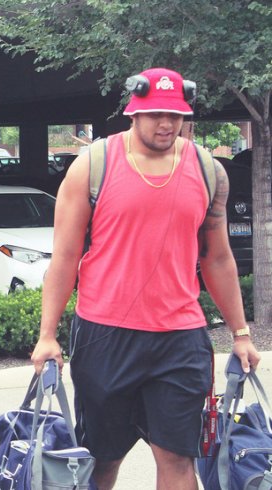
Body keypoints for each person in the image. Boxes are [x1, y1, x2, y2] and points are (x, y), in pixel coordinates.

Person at [31, 67, 261, 490]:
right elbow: (64, 257)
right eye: (156, 113)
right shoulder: (92, 167)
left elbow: (218, 258)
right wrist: (48, 335)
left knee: (177, 459)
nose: (167, 123)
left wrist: (241, 333)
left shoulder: (210, 171)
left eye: (176, 115)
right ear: (133, 113)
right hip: (105, 335)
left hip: (180, 338)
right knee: (101, 459)